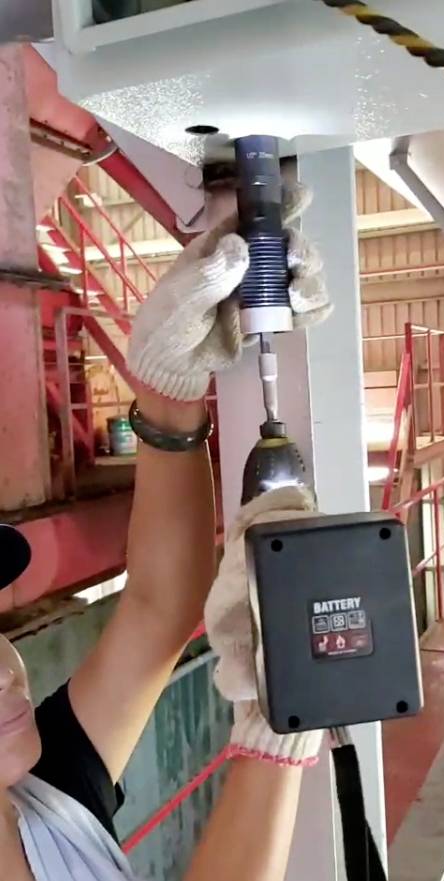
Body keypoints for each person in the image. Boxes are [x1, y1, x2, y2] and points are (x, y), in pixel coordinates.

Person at [0, 182, 330, 880]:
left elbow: (157, 610)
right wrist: (280, 725)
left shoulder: (39, 790)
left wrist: (168, 395)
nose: (5, 673)